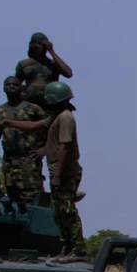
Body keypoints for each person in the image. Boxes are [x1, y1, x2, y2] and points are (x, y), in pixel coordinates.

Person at [0, 76, 47, 206]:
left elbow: (50, 128)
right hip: (9, 162)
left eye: (15, 84)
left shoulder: (33, 109)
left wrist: (45, 149)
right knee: (12, 198)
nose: (11, 86)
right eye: (8, 84)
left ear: (21, 87)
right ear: (3, 88)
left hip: (28, 160)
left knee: (32, 198)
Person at [40, 81, 82, 254]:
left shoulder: (65, 117)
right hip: (59, 170)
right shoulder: (60, 116)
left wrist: (57, 174)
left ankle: (77, 249)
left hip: (65, 171)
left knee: (67, 211)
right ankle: (67, 246)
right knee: (59, 212)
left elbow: (65, 146)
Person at [14, 32, 72, 104]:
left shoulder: (53, 64)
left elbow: (68, 73)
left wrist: (51, 51)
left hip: (51, 101)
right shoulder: (24, 64)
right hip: (31, 102)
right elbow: (16, 84)